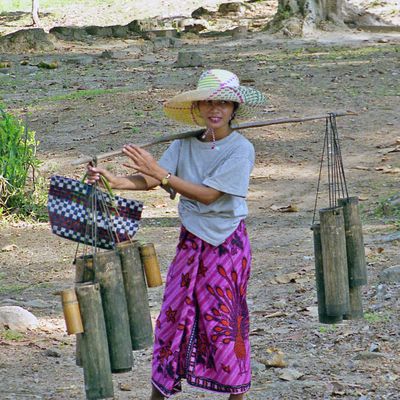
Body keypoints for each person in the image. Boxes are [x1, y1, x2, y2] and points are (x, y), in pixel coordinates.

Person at [87, 69, 267, 399]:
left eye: (224, 104)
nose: (216, 110)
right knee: (172, 317)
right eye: (209, 103)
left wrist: (161, 173)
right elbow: (152, 180)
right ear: (197, 107)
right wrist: (115, 181)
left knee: (224, 324)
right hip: (191, 243)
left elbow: (209, 195)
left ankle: (236, 393)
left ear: (234, 109)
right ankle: (160, 392)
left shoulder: (241, 149)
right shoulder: (184, 145)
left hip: (226, 246)